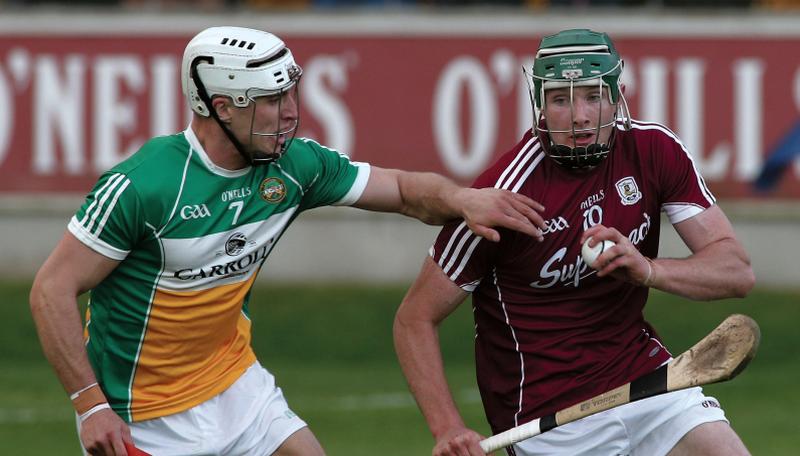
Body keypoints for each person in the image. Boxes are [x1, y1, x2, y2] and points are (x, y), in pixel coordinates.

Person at [29, 26, 548, 456]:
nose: (290, 113)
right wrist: (90, 405)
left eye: (290, 94)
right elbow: (50, 290)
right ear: (223, 106)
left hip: (236, 385)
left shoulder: (295, 166)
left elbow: (406, 191)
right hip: (138, 416)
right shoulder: (144, 186)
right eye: (271, 101)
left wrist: (463, 199)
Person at [394, 28, 755, 456]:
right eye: (561, 99)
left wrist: (649, 270)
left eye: (591, 96)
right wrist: (448, 427)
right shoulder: (507, 195)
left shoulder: (653, 151)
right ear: (540, 104)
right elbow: (414, 319)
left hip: (645, 382)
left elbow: (736, 271)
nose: (580, 116)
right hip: (546, 415)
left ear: (616, 96)